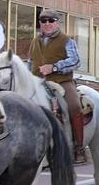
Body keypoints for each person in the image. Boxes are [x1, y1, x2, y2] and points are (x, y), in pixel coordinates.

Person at [28, 9, 86, 164]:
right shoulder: (35, 41)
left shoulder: (66, 40)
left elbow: (76, 61)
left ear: (57, 22)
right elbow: (31, 62)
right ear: (40, 23)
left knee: (74, 105)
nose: (47, 24)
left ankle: (79, 147)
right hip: (38, 82)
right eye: (43, 21)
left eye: (51, 20)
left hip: (62, 81)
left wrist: (54, 67)